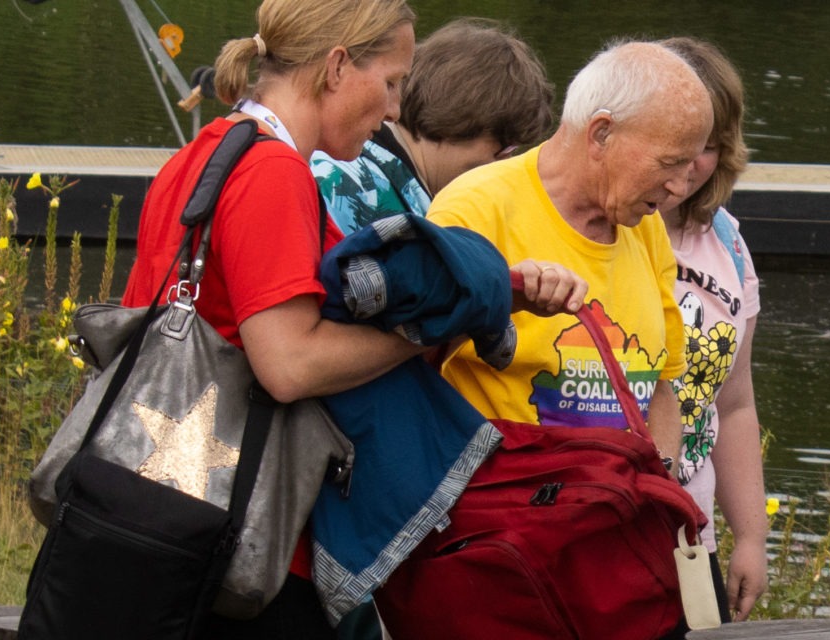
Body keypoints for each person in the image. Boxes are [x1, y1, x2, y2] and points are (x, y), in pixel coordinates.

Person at [123, 0, 579, 635]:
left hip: (164, 499)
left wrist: (496, 289)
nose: (396, 110)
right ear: (337, 67)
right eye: (391, 82)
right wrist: (431, 326)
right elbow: (289, 364)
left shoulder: (204, 152)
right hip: (246, 535)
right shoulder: (274, 172)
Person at [427, 39, 709, 478]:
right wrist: (503, 296)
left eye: (688, 167)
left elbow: (659, 389)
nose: (678, 188)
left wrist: (662, 483)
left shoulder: (644, 224)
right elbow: (409, 362)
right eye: (669, 163)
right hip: (502, 519)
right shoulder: (475, 210)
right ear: (601, 133)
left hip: (612, 517)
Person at [652, 35, 770, 621]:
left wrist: (750, 536)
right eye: (680, 144)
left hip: (689, 538)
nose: (693, 164)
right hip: (583, 527)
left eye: (710, 147)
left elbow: (736, 401)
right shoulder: (586, 228)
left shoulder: (727, 242)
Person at [310, 16, 556, 234]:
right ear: (464, 118)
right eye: (504, 151)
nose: (503, 169)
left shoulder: (358, 161)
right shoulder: (363, 191)